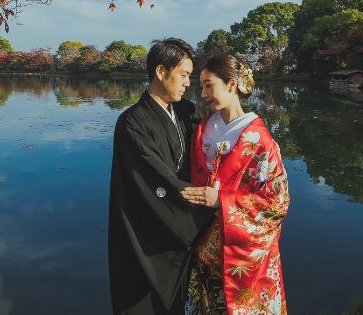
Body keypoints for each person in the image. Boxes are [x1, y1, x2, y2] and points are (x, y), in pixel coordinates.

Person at [108, 38, 215, 315]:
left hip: (179, 229)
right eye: (183, 75)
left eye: (190, 77)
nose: (187, 83)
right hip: (148, 229)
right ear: (160, 72)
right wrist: (207, 208)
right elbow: (156, 180)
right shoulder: (132, 123)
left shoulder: (186, 111)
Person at [181, 53, 290, 315]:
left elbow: (277, 202)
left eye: (209, 85)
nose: (203, 93)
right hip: (203, 242)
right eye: (201, 85)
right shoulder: (203, 127)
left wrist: (221, 200)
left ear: (231, 85)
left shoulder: (260, 140)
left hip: (241, 249)